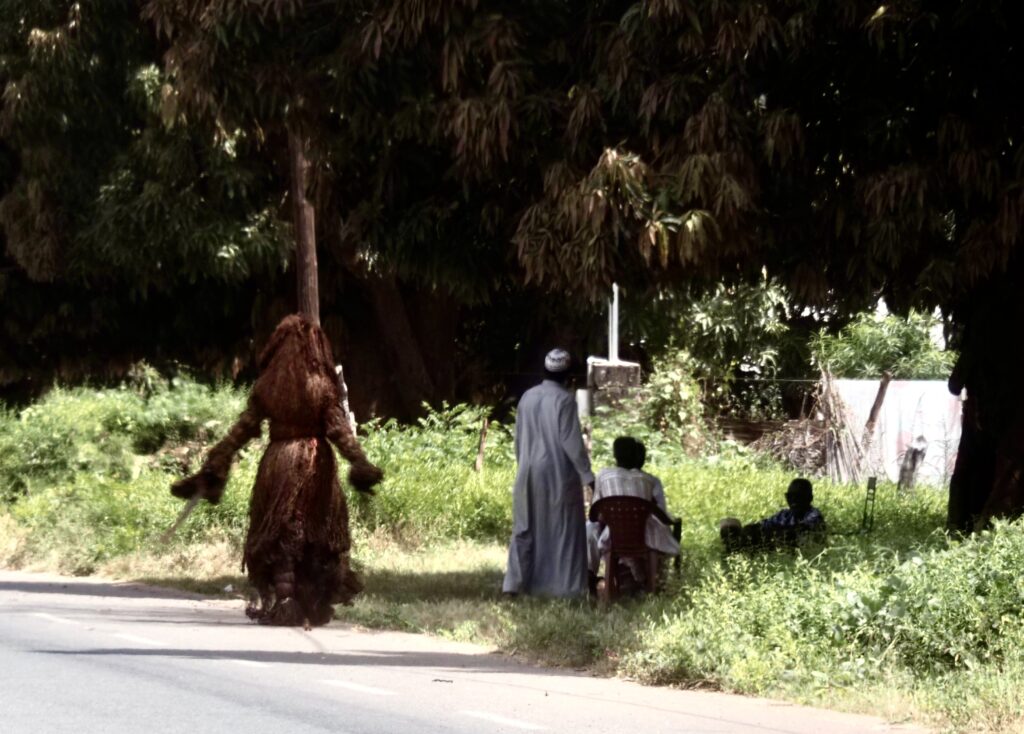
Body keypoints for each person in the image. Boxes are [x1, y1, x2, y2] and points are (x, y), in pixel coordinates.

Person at [170, 315, 383, 626]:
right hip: (316, 464)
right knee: (317, 533)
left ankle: (285, 601)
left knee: (283, 531)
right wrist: (358, 461)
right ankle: (309, 602)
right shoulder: (322, 385)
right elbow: (339, 430)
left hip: (278, 462)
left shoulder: (267, 385)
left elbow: (242, 429)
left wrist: (218, 460)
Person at [503, 348, 594, 598]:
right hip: (557, 473)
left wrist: (523, 464)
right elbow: (571, 442)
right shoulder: (564, 400)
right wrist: (588, 477)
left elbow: (519, 438)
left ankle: (513, 585)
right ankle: (566, 589)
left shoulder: (527, 397)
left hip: (527, 469)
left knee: (525, 526)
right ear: (568, 376)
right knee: (562, 529)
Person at [586, 437, 680, 592]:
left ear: (615, 455)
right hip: (642, 536)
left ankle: (592, 576)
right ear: (637, 456)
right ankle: (646, 581)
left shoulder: (604, 475)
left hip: (613, 535)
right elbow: (661, 514)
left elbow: (596, 513)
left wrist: (609, 519)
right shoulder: (649, 480)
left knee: (590, 528)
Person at [720, 478, 825, 552]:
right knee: (730, 525)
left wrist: (771, 532)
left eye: (798, 497)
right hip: (772, 544)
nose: (793, 501)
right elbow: (764, 524)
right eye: (790, 497)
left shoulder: (813, 514)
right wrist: (751, 529)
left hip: (792, 549)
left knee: (780, 536)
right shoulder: (785, 514)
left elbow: (799, 531)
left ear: (809, 498)